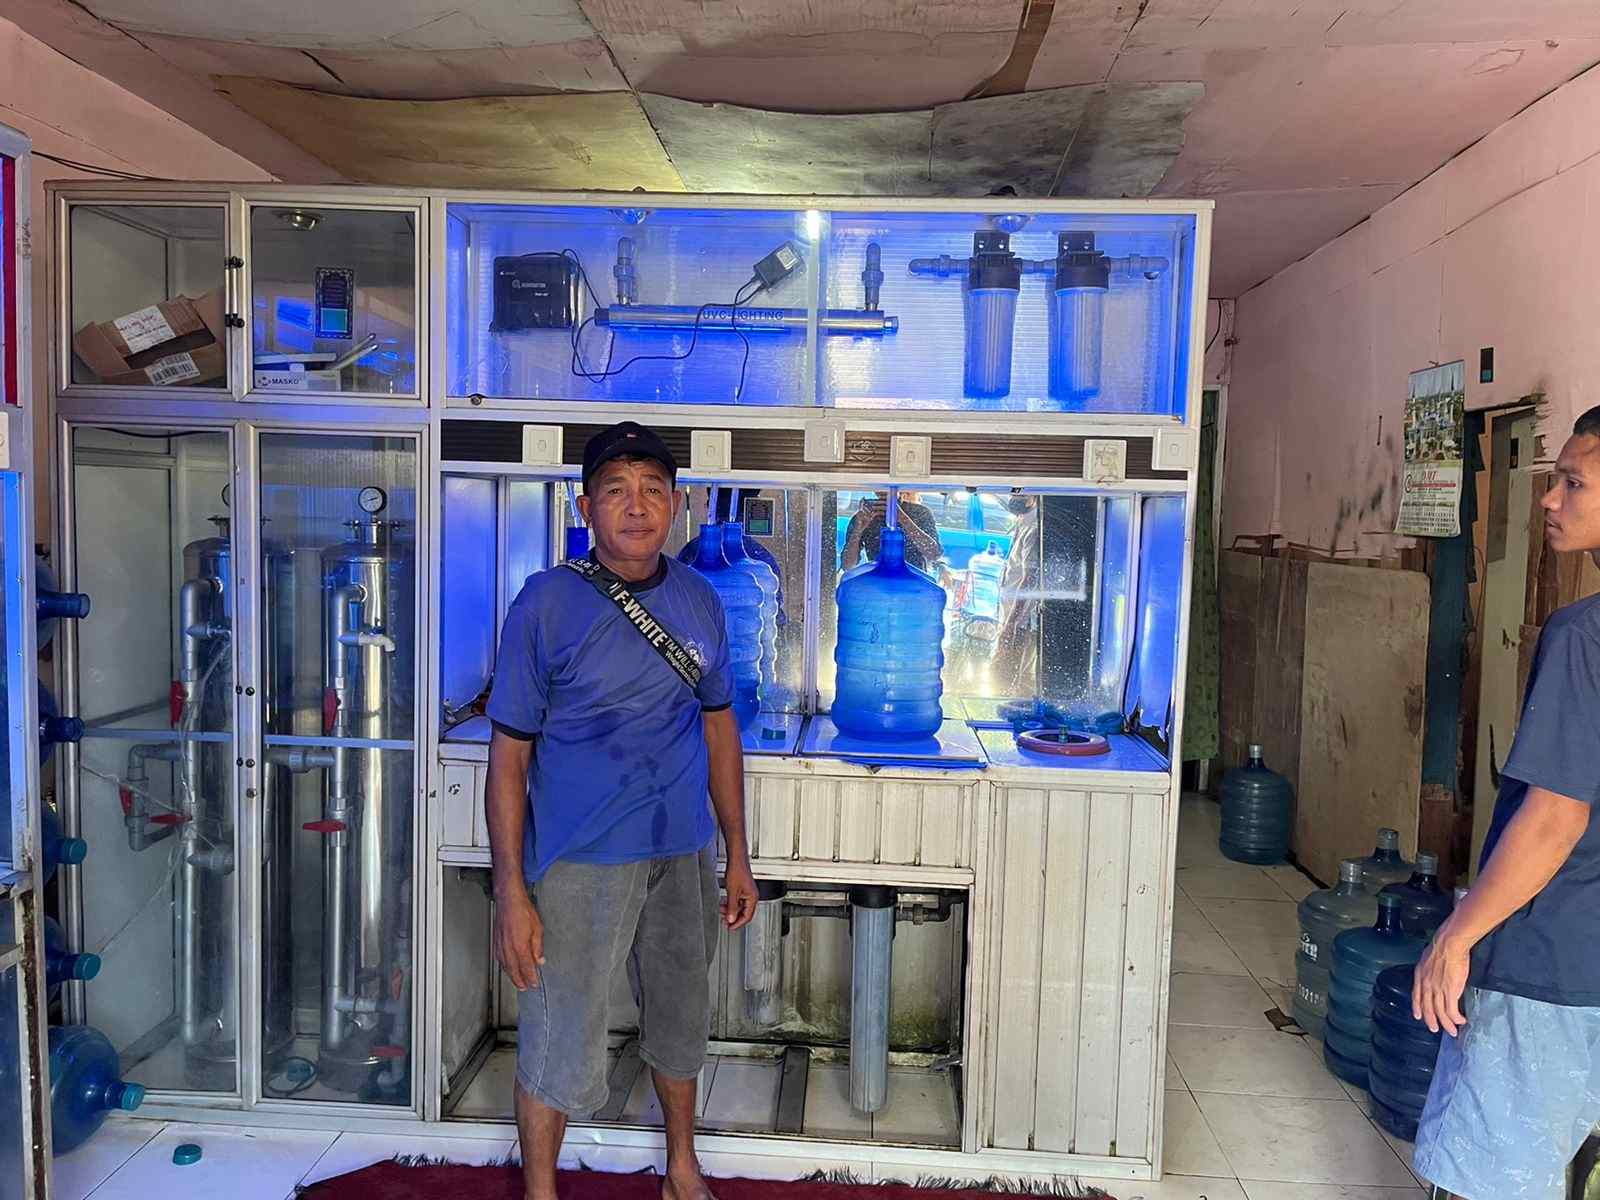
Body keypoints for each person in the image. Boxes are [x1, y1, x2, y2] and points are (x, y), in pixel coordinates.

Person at [484, 420, 760, 1200]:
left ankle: (681, 1168)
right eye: (616, 491)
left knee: (680, 1015)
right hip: (579, 857)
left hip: (681, 848)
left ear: (677, 504)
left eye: (652, 491)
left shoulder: (700, 599)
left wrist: (737, 854)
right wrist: (511, 892)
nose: (636, 507)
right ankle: (541, 1192)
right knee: (560, 1032)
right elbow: (509, 758)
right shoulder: (545, 604)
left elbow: (719, 727)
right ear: (586, 507)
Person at [1412, 404, 1600, 1200]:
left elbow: (1556, 816)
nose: (1550, 500)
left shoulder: (1583, 635)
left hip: (1547, 964)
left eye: (1573, 483)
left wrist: (1457, 935)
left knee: (1494, 1180)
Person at [840, 490, 942, 573]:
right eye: (879, 486)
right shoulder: (863, 517)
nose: (884, 491)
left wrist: (903, 519)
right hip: (880, 584)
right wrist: (858, 530)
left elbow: (934, 554)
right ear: (875, 490)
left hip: (913, 584)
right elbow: (847, 565)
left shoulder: (920, 513)